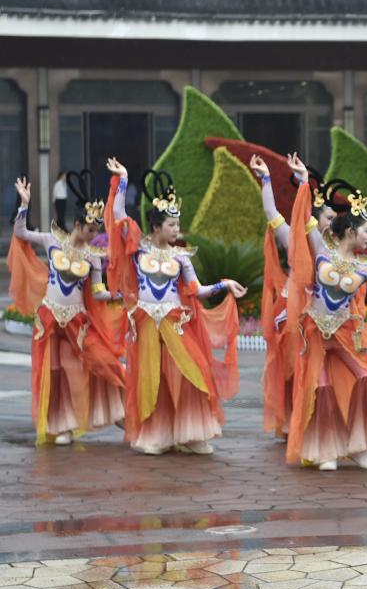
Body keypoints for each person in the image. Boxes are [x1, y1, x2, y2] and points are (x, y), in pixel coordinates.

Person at [283, 153, 367, 471]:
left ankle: (359, 446)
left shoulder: (365, 266)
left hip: (345, 333)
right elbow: (304, 216)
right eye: (366, 231)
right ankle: (326, 450)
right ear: (350, 231)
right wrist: (303, 181)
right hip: (316, 333)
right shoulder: (321, 250)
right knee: (322, 389)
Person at [104, 158, 246, 455]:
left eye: (178, 224)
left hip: (174, 322)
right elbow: (118, 216)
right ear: (156, 226)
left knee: (189, 373)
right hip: (145, 323)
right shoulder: (137, 250)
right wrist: (124, 179)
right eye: (171, 224)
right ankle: (156, 435)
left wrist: (225, 285)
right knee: (150, 377)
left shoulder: (181, 257)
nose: (176, 229)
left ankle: (191, 434)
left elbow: (197, 290)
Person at [8, 173, 125, 445]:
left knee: (97, 363)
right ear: (77, 224)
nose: (94, 235)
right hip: (49, 318)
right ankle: (62, 426)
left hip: (77, 322)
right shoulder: (52, 241)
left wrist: (118, 295)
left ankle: (119, 411)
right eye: (90, 230)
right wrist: (24, 204)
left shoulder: (93, 258)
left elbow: (97, 293)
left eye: (96, 231)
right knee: (54, 371)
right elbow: (21, 233)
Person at [250, 154, 337, 441]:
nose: (332, 223)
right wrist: (265, 178)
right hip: (290, 312)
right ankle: (292, 419)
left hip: (318, 312)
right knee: (292, 368)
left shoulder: (329, 246)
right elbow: (270, 211)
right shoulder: (293, 236)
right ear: (314, 215)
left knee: (317, 368)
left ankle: (312, 418)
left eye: (334, 219)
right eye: (329, 218)